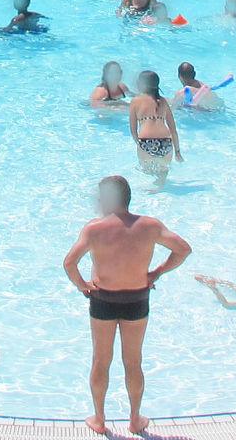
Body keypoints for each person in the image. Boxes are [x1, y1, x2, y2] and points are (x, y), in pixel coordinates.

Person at [61, 174, 192, 437]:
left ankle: (99, 420)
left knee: (101, 360)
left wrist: (83, 285)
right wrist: (157, 272)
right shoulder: (149, 226)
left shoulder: (94, 229)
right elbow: (183, 250)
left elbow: (69, 263)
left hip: (103, 301)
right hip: (136, 300)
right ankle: (134, 420)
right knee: (133, 362)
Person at [128, 70, 181, 183]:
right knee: (163, 171)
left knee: (145, 170)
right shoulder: (163, 101)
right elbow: (173, 130)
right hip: (166, 143)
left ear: (140, 84)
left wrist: (140, 144)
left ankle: (151, 193)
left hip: (145, 141)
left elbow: (133, 130)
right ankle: (160, 186)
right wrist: (177, 151)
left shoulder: (135, 101)